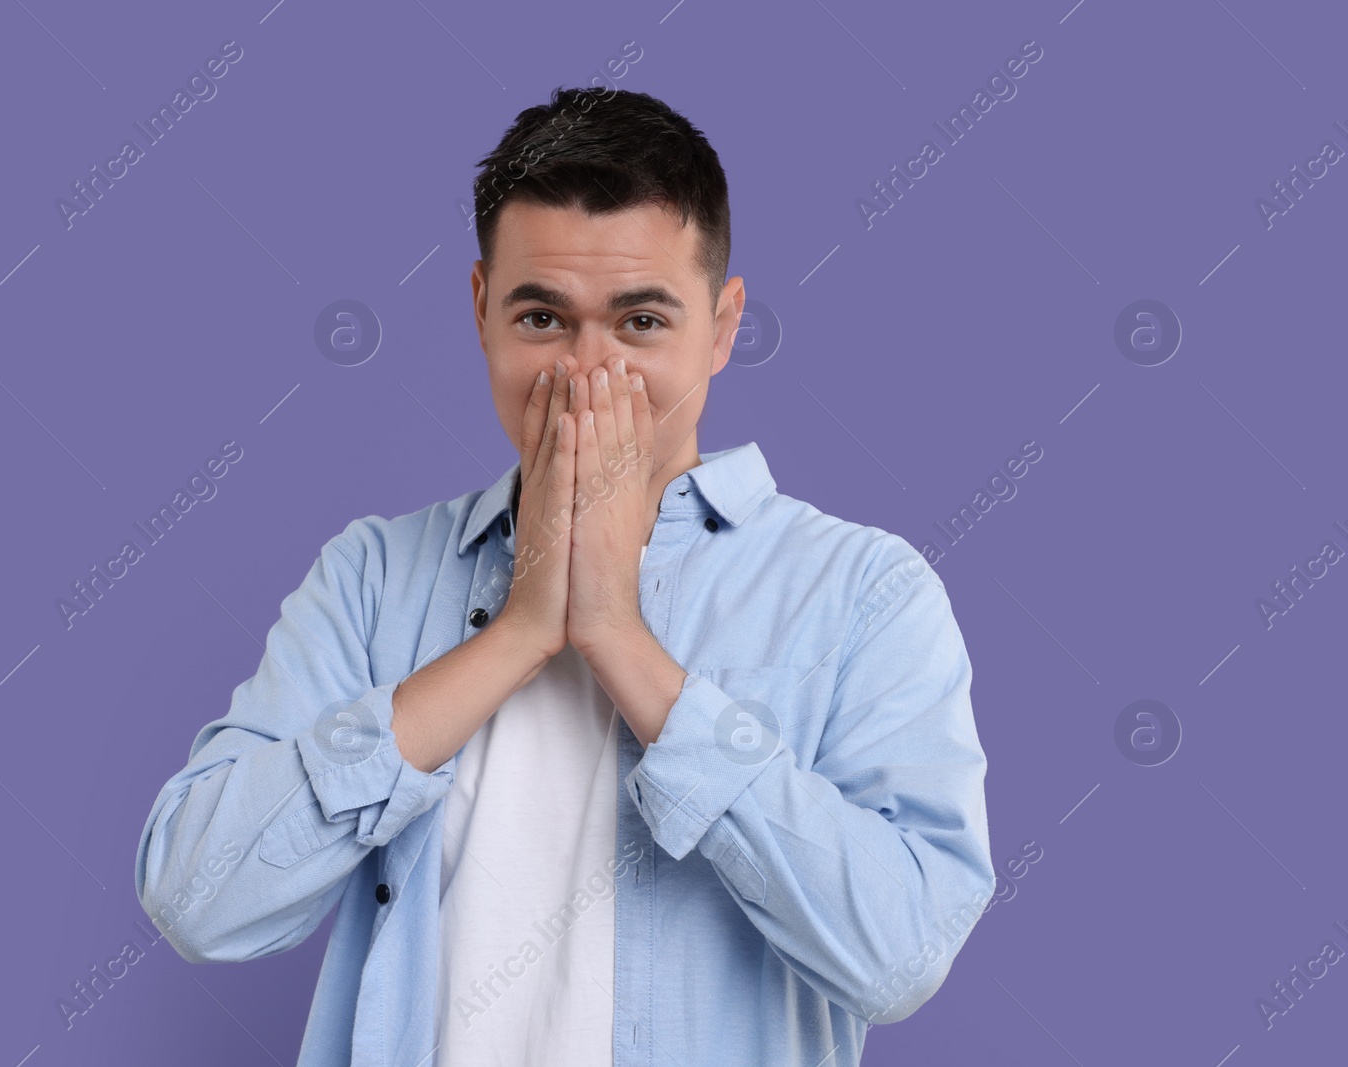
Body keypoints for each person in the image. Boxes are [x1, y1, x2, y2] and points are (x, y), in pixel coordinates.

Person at [135, 85, 995, 1067]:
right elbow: (197, 897)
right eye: (543, 317)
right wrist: (518, 629)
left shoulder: (863, 592)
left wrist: (616, 635)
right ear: (481, 312)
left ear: (720, 327)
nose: (589, 372)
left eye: (640, 322)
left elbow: (900, 956)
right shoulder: (372, 575)